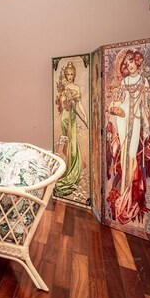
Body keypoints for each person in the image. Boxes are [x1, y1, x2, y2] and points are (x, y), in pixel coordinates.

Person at [106, 49, 150, 224]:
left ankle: (130, 193)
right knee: (124, 153)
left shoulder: (143, 81)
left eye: (132, 62)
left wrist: (147, 126)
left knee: (131, 154)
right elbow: (118, 102)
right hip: (123, 119)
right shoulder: (125, 81)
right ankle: (124, 192)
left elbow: (145, 106)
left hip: (135, 122)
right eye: (127, 64)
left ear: (137, 62)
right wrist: (114, 109)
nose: (130, 65)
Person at [54, 61, 88, 197]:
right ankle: (65, 172)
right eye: (67, 74)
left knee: (73, 147)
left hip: (73, 119)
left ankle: (72, 174)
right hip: (65, 119)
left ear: (74, 75)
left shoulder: (77, 88)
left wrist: (85, 116)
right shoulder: (64, 88)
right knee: (66, 145)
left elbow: (79, 105)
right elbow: (65, 107)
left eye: (71, 74)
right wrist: (66, 99)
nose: (69, 76)